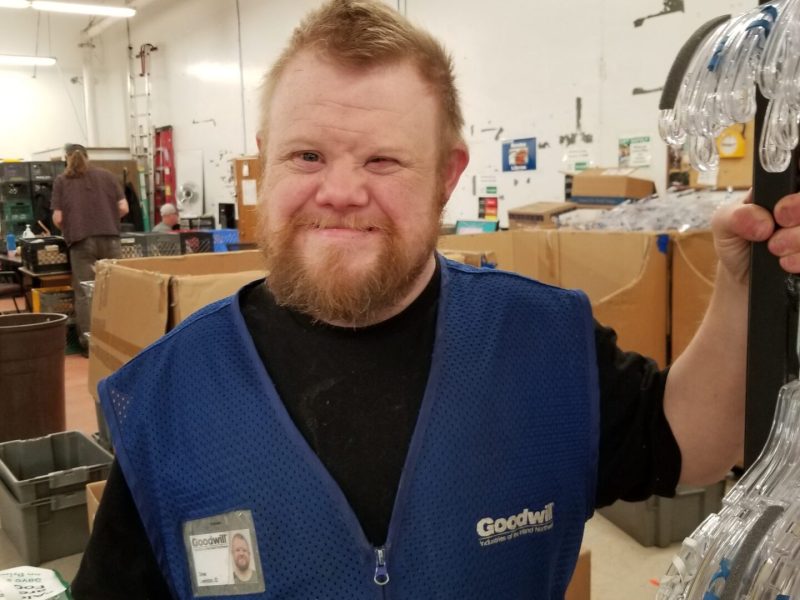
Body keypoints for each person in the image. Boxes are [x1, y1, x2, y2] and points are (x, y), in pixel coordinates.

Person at [70, 1, 800, 598]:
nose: (341, 191)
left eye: (383, 159)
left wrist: (741, 282)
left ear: (447, 176)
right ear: (266, 160)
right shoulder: (168, 396)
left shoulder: (545, 345)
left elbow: (695, 447)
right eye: (307, 155)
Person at [51, 144, 128, 355]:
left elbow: (58, 218)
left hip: (81, 241)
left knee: (86, 292)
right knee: (115, 288)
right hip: (111, 238)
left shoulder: (62, 181)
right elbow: (124, 208)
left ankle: (90, 345)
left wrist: (71, 225)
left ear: (66, 158)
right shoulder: (107, 176)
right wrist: (107, 218)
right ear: (88, 156)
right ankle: (121, 338)